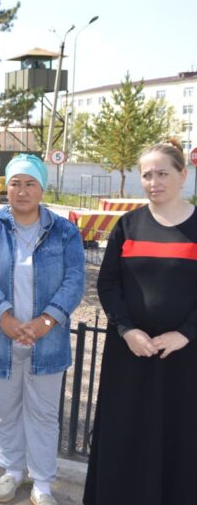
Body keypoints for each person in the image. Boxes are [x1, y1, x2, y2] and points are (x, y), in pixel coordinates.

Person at [0, 154, 85, 505]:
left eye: (30, 183)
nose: (21, 190)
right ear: (6, 186)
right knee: (5, 410)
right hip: (1, 340)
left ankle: (42, 483)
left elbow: (74, 280)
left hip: (47, 342)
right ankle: (13, 471)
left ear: (42, 187)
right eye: (15, 182)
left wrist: (47, 320)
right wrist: (5, 318)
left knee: (44, 414)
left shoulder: (64, 231)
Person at [83, 142, 197, 505]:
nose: (153, 182)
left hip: (184, 358)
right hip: (129, 353)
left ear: (183, 174)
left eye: (162, 173)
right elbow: (109, 283)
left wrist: (185, 334)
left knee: (178, 436)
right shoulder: (127, 225)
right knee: (125, 432)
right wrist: (126, 329)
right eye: (146, 174)